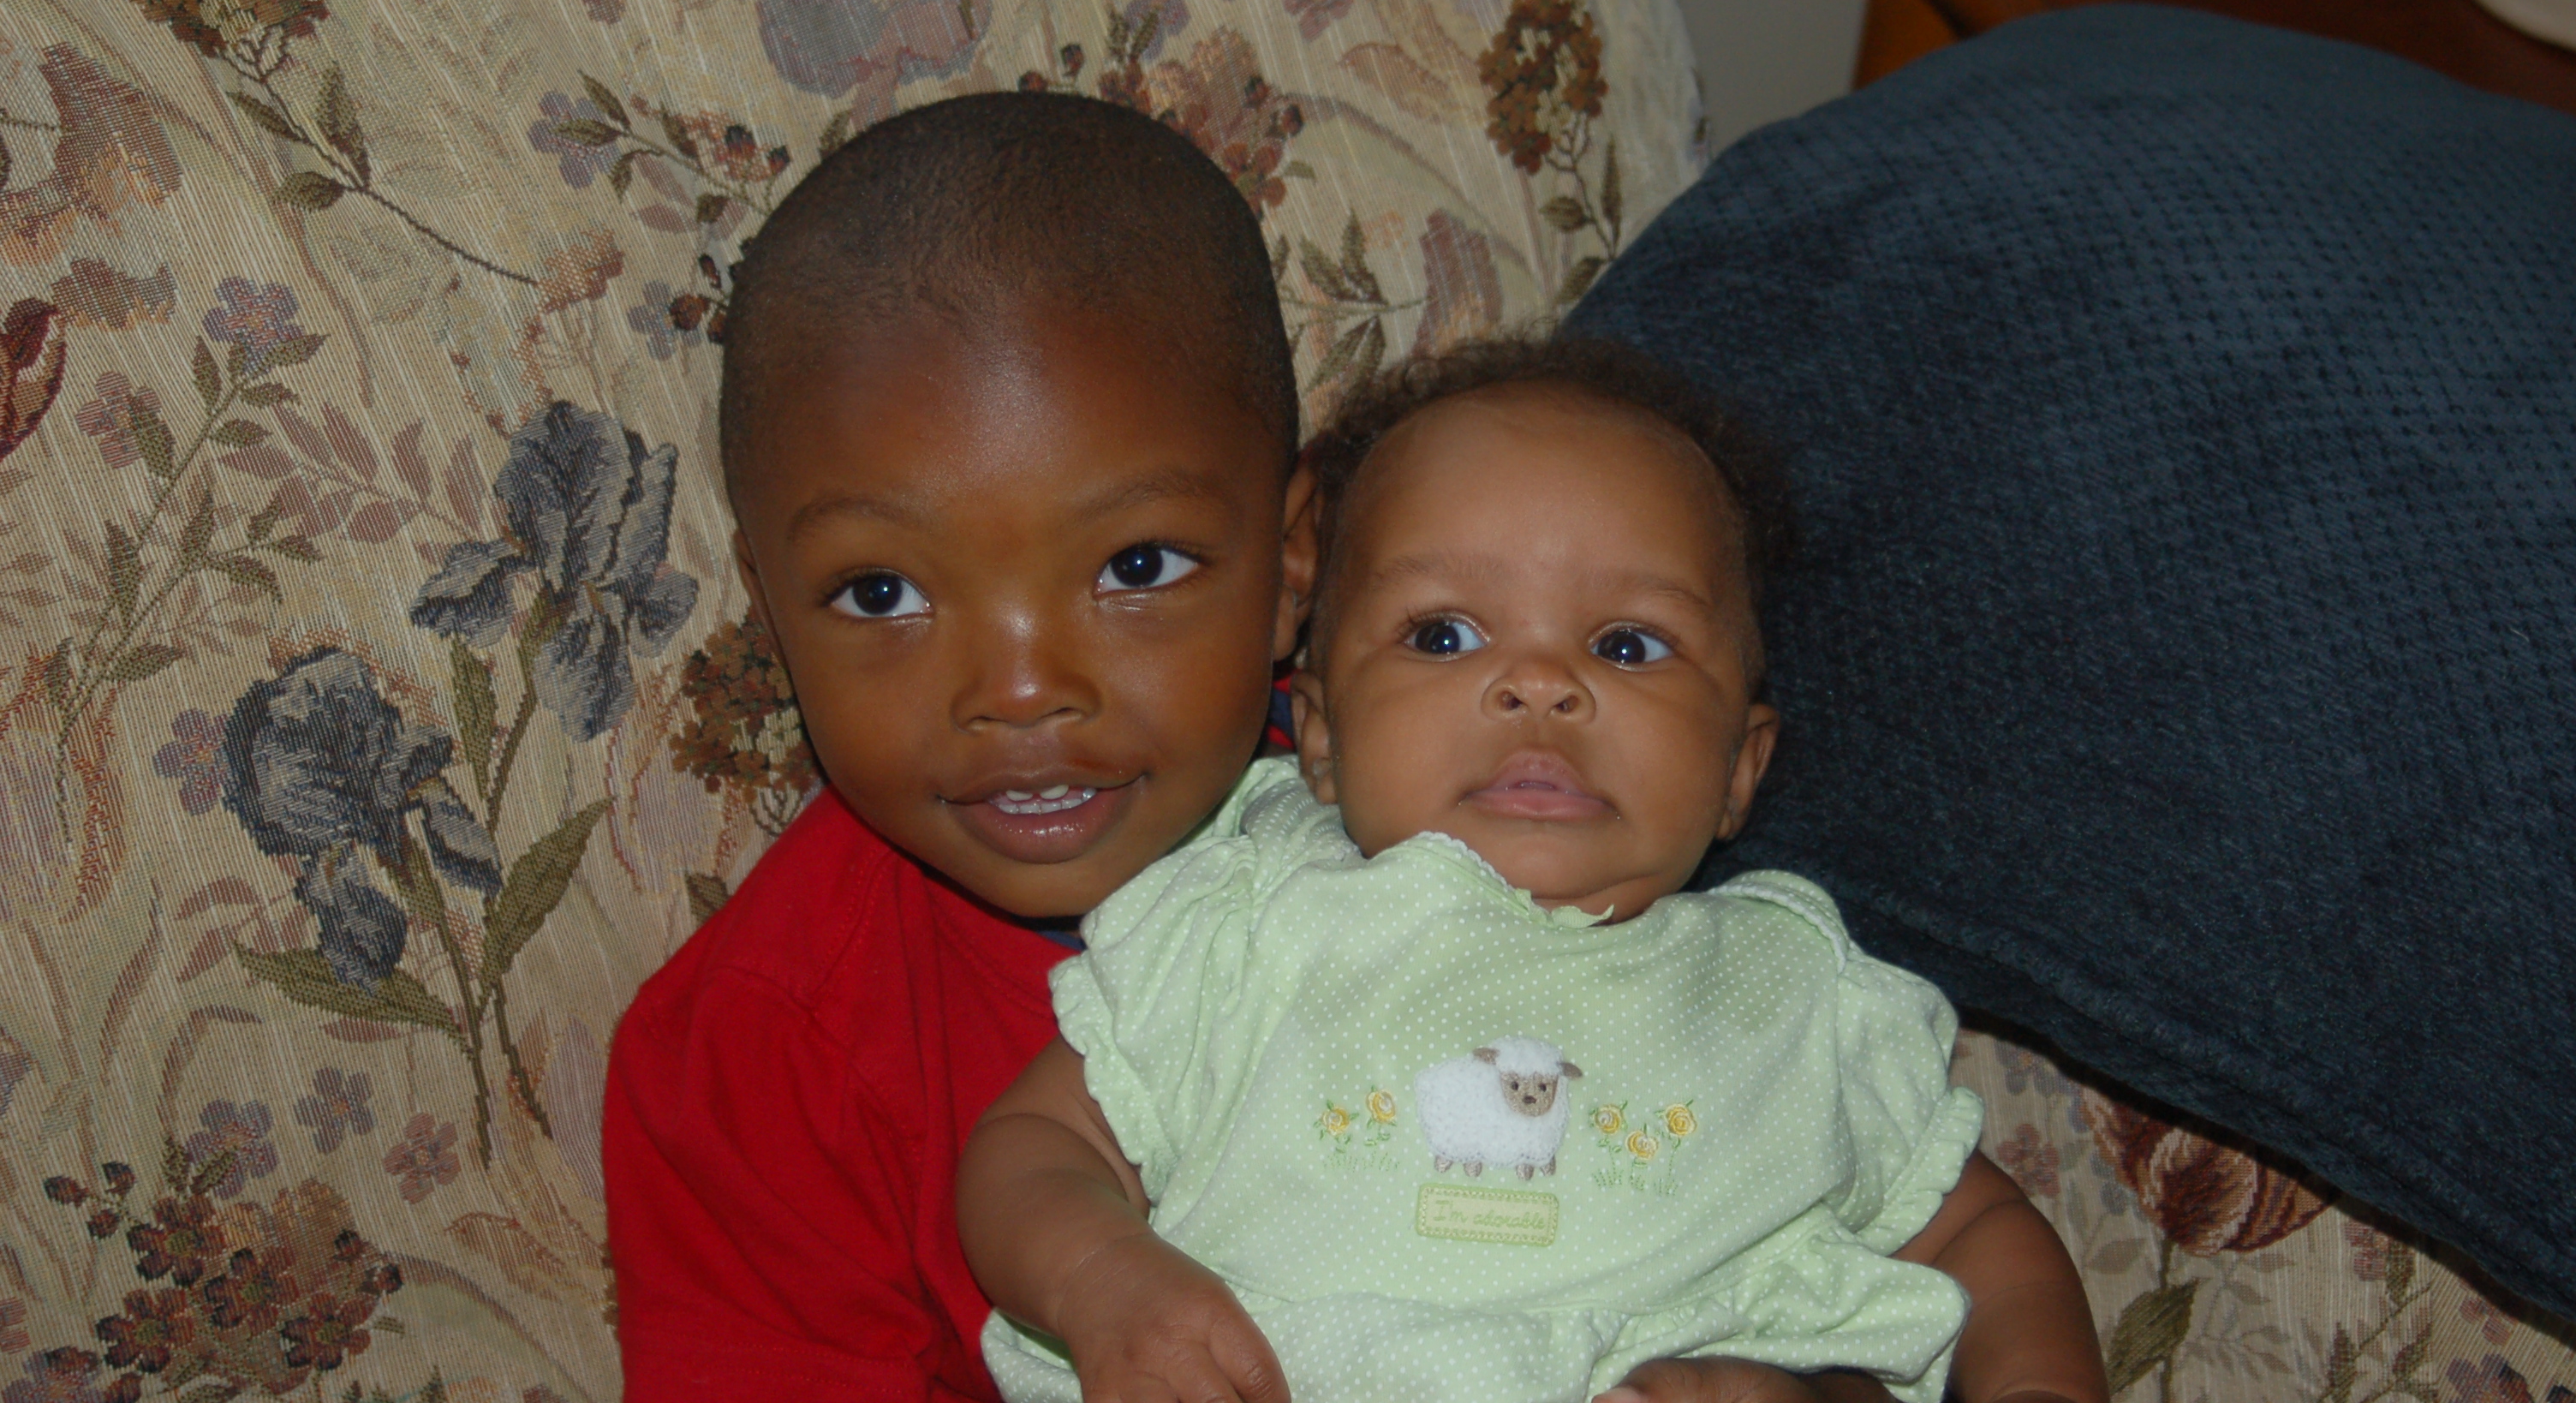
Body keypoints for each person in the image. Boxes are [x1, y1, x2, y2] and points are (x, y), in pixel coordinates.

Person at [959, 337, 2109, 1403]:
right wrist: (1102, 1277)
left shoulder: (1795, 996)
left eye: (1627, 646)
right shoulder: (1246, 924)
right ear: (1321, 737)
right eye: (1444, 635)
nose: (1542, 684)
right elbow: (1039, 1149)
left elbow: (1981, 1239)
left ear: (1738, 769)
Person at [602, 92, 1312, 1400]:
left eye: (1136, 567)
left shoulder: (1447, 821)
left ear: (1291, 562)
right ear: (771, 609)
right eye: (883, 594)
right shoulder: (758, 1060)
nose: (1022, 692)